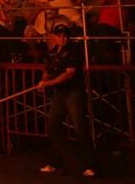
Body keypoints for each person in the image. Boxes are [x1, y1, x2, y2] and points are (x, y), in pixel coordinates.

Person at [38, 24, 97, 177]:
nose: (62, 38)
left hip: (73, 93)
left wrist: (48, 83)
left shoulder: (74, 51)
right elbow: (48, 70)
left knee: (80, 128)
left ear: (67, 37)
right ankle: (55, 163)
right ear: (54, 37)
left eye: (64, 36)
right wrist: (42, 81)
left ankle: (91, 166)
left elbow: (69, 74)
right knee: (53, 127)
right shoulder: (53, 53)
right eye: (59, 36)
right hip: (60, 94)